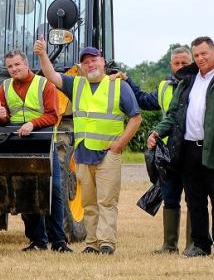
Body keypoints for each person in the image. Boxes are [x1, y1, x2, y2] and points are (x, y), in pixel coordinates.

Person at [36, 40, 143, 254]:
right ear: (82, 66)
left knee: (107, 202)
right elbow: (51, 75)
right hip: (83, 154)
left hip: (107, 154)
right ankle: (92, 243)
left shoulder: (118, 85)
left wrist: (119, 144)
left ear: (103, 62)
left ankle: (107, 243)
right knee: (89, 204)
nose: (90, 65)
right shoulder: (76, 85)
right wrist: (42, 54)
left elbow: (136, 118)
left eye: (94, 60)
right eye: (85, 62)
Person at [149, 36, 214, 258]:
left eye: (204, 54)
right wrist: (157, 131)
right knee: (194, 199)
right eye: (197, 55)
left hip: (213, 149)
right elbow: (173, 115)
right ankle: (200, 244)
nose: (200, 58)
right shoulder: (187, 80)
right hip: (187, 147)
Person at [0, 50, 69, 253]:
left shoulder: (44, 84)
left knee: (54, 191)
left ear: (26, 64)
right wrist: (1, 116)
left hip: (43, 143)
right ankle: (37, 241)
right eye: (10, 66)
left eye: (17, 64)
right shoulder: (5, 87)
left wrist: (33, 124)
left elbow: (53, 115)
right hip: (19, 145)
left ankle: (58, 241)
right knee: (25, 191)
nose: (14, 69)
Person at [122, 47, 194, 253]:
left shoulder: (199, 85)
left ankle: (193, 244)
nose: (181, 66)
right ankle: (169, 245)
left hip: (191, 150)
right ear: (170, 65)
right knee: (170, 197)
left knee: (193, 199)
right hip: (168, 153)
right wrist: (126, 80)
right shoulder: (164, 87)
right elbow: (144, 100)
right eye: (177, 63)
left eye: (184, 63)